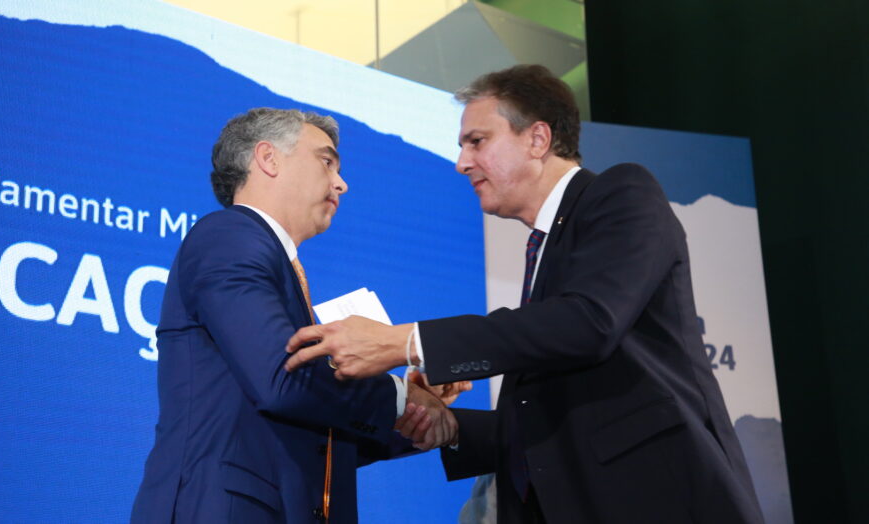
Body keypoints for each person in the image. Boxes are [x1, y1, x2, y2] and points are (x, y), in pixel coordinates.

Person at [285, 65, 765, 523]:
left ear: (538, 139)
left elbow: (588, 324)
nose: (461, 163)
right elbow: (551, 418)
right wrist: (452, 428)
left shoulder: (623, 193)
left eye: (477, 141)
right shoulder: (545, 247)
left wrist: (404, 342)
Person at [130, 108, 461, 523]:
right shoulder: (229, 235)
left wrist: (415, 419)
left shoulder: (275, 265)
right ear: (268, 159)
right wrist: (400, 397)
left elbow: (317, 440)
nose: (341, 183)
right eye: (327, 161)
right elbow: (283, 381)